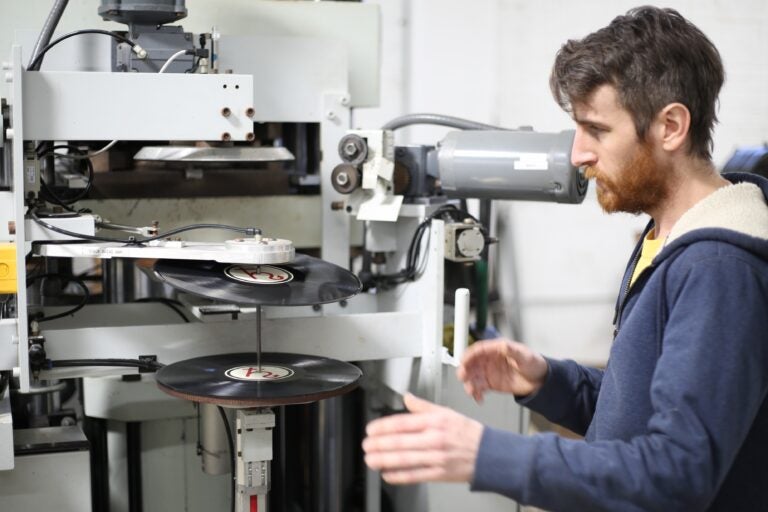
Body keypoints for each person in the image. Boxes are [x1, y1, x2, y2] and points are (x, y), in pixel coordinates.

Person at [362, 6, 768, 511]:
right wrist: (550, 381)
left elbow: (677, 474)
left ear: (670, 126)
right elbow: (640, 410)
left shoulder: (718, 269)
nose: (577, 154)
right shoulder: (665, 235)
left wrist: (487, 454)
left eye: (596, 130)